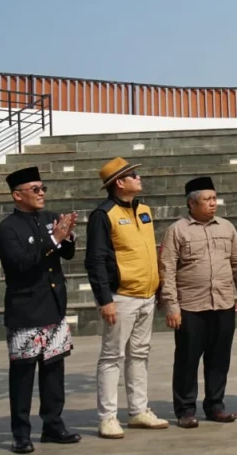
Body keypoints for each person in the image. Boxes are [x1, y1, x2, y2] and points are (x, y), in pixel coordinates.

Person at [0, 167, 83, 453]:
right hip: (26, 309)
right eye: (35, 189)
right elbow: (21, 264)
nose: (42, 193)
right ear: (17, 195)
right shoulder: (6, 229)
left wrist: (67, 237)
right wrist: (54, 239)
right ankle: (21, 432)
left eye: (43, 188)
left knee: (54, 370)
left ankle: (53, 424)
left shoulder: (50, 218)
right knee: (23, 375)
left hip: (53, 306)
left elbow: (66, 254)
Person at [85, 157, 170, 439]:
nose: (139, 178)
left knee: (140, 355)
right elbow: (95, 260)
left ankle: (138, 410)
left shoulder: (144, 210)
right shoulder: (103, 214)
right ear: (119, 183)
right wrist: (104, 299)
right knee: (111, 356)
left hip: (146, 295)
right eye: (133, 175)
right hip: (120, 297)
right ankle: (107, 417)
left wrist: (156, 287)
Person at [159, 176, 237, 428]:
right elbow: (167, 270)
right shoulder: (176, 230)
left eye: (214, 198)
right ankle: (185, 410)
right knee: (187, 360)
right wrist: (172, 306)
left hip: (223, 304)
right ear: (192, 203)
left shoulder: (227, 227)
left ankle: (215, 406)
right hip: (190, 307)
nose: (213, 203)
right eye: (207, 199)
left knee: (219, 359)